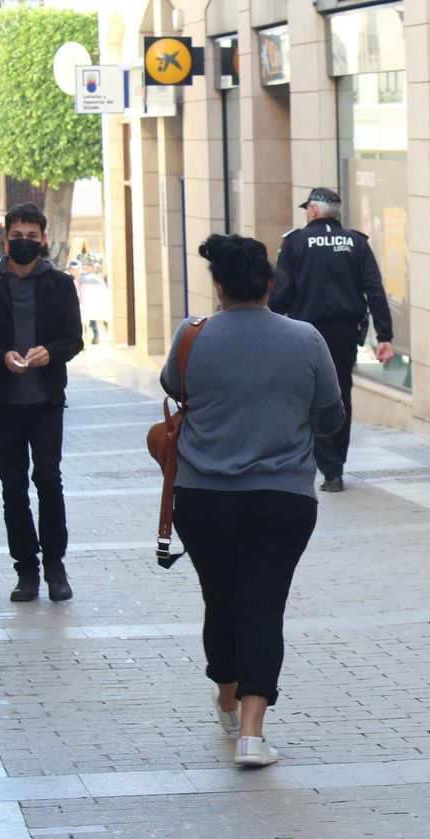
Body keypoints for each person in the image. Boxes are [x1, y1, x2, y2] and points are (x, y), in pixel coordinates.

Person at [163, 234, 344, 768]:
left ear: (218, 287)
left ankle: (226, 698)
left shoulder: (191, 335)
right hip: (282, 498)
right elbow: (332, 416)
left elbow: (173, 386)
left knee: (220, 599)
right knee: (263, 607)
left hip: (202, 497)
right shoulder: (306, 338)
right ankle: (251, 734)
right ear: (270, 283)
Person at [0, 203, 84, 603]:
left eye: (32, 236)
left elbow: (74, 339)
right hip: (3, 402)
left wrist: (51, 352)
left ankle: (56, 566)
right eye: (17, 236)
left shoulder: (59, 284)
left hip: (46, 401)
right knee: (13, 488)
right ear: (5, 239)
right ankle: (26, 570)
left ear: (43, 239)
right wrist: (0, 357)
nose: (25, 242)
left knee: (48, 480)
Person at [268, 187, 394, 493]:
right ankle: (336, 466)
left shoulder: (296, 242)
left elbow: (281, 293)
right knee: (341, 394)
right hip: (344, 333)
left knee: (311, 396)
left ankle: (326, 465)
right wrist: (385, 336)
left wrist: (268, 325)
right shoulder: (356, 242)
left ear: (312, 210)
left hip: (306, 333)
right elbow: (374, 290)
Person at [76, 258, 111, 345]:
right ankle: (96, 336)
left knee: (85, 322)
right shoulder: (99, 279)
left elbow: (77, 294)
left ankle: (88, 339)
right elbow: (105, 292)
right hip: (97, 306)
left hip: (85, 307)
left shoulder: (79, 280)